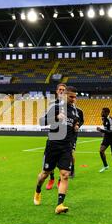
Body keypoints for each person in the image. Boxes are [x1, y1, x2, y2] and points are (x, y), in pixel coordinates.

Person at [34, 86, 79, 214]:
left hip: (66, 147)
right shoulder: (55, 107)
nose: (74, 99)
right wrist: (55, 118)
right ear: (64, 95)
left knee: (65, 175)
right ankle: (38, 190)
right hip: (53, 145)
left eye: (75, 97)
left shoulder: (75, 111)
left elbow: (74, 123)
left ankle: (59, 205)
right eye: (71, 97)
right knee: (45, 174)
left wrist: (75, 127)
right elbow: (41, 122)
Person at [46, 83, 67, 190]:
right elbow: (45, 120)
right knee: (50, 161)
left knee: (62, 162)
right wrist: (56, 117)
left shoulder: (70, 105)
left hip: (65, 138)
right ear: (56, 91)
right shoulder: (52, 104)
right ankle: (52, 178)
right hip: (53, 136)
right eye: (60, 89)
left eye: (63, 89)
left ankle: (60, 180)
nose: (62, 91)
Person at [97, 107, 112, 173]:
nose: (101, 113)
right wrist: (104, 133)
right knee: (101, 151)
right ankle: (106, 166)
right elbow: (106, 128)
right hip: (106, 138)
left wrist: (102, 130)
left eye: (103, 112)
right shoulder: (103, 118)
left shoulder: (110, 119)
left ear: (107, 113)